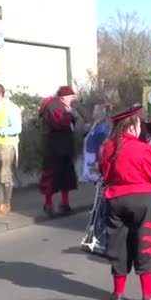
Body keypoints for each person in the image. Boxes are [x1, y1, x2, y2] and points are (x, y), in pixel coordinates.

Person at [98, 104, 151, 300]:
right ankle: (148, 295)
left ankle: (117, 293)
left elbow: (105, 174)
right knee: (145, 243)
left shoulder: (108, 147)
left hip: (115, 199)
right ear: (132, 125)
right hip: (141, 199)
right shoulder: (142, 148)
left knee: (118, 245)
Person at [39, 86, 79, 216]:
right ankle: (48, 204)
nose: (72, 100)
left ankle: (64, 203)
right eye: (71, 97)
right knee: (51, 176)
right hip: (54, 148)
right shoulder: (53, 105)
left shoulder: (63, 106)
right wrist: (71, 115)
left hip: (64, 147)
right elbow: (59, 122)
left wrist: (72, 115)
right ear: (64, 97)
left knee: (66, 175)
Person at [0, 84, 22, 217]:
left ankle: (5, 204)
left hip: (6, 144)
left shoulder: (11, 108)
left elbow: (17, 129)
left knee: (4, 174)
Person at [82, 104, 110, 183]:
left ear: (99, 113)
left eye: (94, 110)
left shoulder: (102, 128)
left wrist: (98, 161)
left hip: (94, 158)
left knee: (98, 181)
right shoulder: (96, 125)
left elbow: (102, 146)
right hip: (90, 156)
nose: (92, 113)